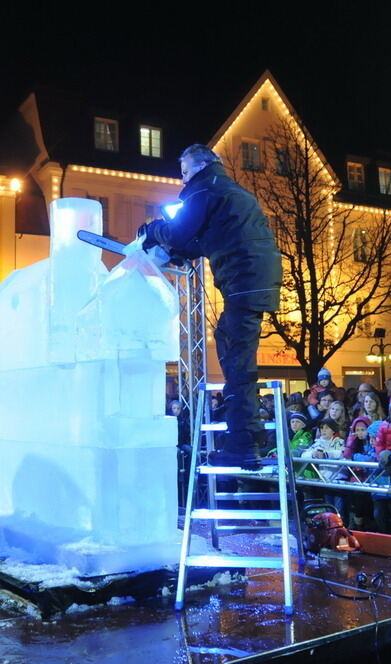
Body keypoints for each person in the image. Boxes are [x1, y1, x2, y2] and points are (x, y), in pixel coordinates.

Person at [138, 144, 282, 469]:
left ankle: (244, 445)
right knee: (229, 343)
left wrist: (151, 231)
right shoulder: (228, 191)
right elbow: (202, 239)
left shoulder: (204, 188)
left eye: (185, 172)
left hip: (245, 280)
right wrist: (176, 249)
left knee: (236, 361)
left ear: (200, 166)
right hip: (253, 278)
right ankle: (247, 440)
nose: (183, 179)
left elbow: (179, 231)